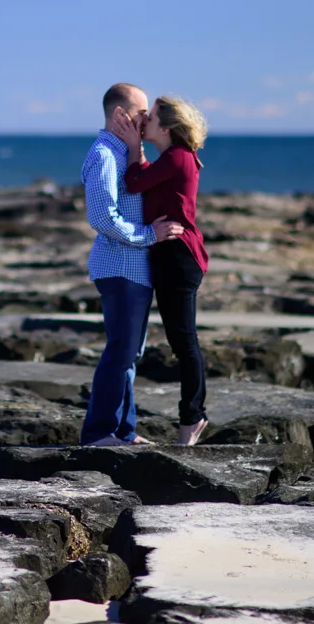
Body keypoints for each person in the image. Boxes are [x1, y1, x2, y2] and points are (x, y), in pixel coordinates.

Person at [79, 83, 184, 447]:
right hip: (119, 267)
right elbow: (102, 217)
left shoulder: (123, 153)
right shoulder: (104, 155)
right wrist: (148, 235)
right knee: (120, 352)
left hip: (135, 271)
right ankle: (98, 433)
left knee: (130, 354)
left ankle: (124, 431)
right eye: (141, 113)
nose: (147, 119)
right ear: (120, 115)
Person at [112, 95, 210, 446]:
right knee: (181, 342)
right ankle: (192, 415)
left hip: (178, 258)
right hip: (170, 257)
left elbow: (134, 182)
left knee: (184, 343)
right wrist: (138, 149)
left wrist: (134, 147)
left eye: (149, 117)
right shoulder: (171, 158)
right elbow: (144, 181)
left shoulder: (177, 158)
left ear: (165, 128)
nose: (143, 121)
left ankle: (193, 418)